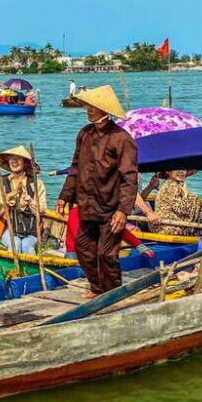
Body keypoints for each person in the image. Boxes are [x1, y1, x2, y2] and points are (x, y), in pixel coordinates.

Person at [56, 85, 138, 299]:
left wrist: (123, 210)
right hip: (87, 205)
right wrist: (64, 196)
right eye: (88, 106)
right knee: (83, 249)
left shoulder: (121, 138)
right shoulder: (85, 134)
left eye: (93, 106)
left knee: (106, 254)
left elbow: (130, 177)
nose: (89, 109)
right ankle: (98, 288)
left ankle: (112, 294)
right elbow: (75, 168)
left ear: (105, 109)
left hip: (111, 207)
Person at [0, 146, 46, 254]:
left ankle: (30, 270)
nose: (14, 161)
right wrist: (10, 196)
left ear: (25, 163)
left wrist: (30, 201)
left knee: (26, 246)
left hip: (31, 232)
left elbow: (42, 210)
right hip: (7, 229)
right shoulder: (1, 183)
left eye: (18, 158)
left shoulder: (37, 183)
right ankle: (12, 270)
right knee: (14, 244)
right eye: (11, 158)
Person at [149, 170, 202, 236]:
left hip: (165, 224)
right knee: (194, 198)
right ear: (168, 171)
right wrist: (186, 195)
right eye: (177, 169)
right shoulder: (172, 185)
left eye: (184, 169)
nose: (181, 172)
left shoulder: (174, 184)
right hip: (167, 227)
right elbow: (180, 209)